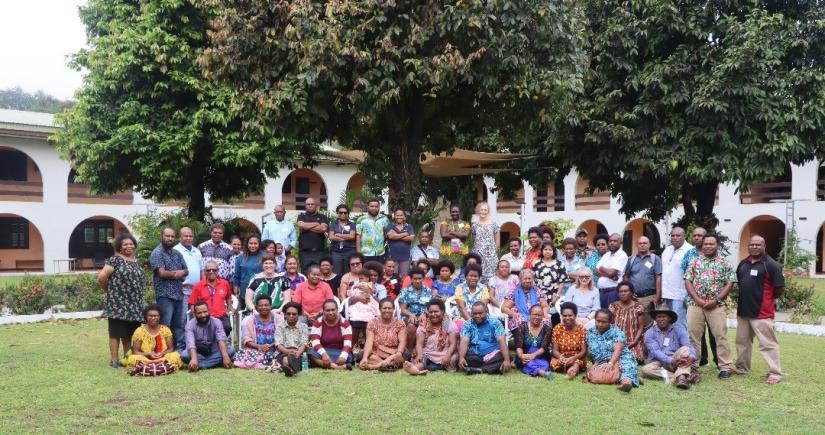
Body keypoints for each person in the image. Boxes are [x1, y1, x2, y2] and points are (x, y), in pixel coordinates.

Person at [734, 234, 785, 385]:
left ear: (764, 246)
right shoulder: (743, 263)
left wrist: (767, 300)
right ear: (748, 246)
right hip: (743, 311)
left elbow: (780, 288)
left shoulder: (771, 265)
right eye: (752, 244)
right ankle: (742, 368)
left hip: (762, 313)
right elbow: (741, 284)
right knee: (742, 342)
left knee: (768, 344)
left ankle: (775, 372)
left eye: (758, 244)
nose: (754, 247)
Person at [684, 233, 735, 379]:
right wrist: (697, 299)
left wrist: (716, 300)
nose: (708, 246)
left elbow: (730, 283)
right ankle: (693, 365)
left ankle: (724, 367)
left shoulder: (725, 263)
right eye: (706, 244)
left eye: (711, 244)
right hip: (695, 304)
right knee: (694, 336)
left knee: (720, 335)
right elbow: (688, 281)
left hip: (716, 306)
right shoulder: (694, 261)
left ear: (717, 245)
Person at [98, 233, 145, 368]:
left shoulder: (136, 261)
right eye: (125, 244)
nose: (129, 246)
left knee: (129, 332)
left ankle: (127, 358)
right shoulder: (115, 260)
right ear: (119, 246)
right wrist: (108, 290)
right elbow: (101, 277)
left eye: (131, 244)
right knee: (116, 332)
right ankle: (114, 360)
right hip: (118, 303)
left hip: (135, 303)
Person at [681, 226, 717, 367]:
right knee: (696, 331)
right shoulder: (689, 254)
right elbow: (685, 277)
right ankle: (701, 359)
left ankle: (718, 360)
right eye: (694, 235)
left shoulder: (717, 254)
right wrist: (689, 297)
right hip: (694, 299)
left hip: (713, 301)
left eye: (700, 235)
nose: (696, 238)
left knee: (714, 332)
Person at [149, 227, 188, 350]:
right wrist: (177, 274)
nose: (170, 238)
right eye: (167, 236)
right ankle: (164, 350)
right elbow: (161, 273)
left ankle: (179, 350)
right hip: (164, 296)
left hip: (178, 294)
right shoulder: (157, 253)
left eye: (172, 236)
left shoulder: (177, 253)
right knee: (165, 324)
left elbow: (186, 270)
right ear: (162, 236)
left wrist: (179, 273)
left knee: (179, 324)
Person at [642, 303, 697, 389]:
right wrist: (671, 360)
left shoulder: (679, 330)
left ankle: (681, 377)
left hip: (677, 360)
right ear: (655, 319)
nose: (661, 319)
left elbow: (688, 345)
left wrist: (692, 357)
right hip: (658, 362)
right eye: (659, 317)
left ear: (670, 318)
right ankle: (681, 377)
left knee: (685, 349)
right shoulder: (649, 333)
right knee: (646, 370)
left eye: (664, 317)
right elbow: (656, 352)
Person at [586, 309, 640, 392]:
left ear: (610, 321)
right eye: (598, 321)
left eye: (604, 322)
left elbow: (618, 350)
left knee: (626, 368)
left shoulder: (617, 332)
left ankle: (626, 383)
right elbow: (590, 351)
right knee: (599, 376)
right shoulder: (590, 332)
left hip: (621, 357)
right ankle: (635, 377)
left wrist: (611, 363)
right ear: (595, 319)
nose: (600, 324)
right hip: (602, 360)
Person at [404, 299, 459, 375]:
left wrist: (447, 356)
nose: (433, 314)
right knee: (420, 361)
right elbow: (419, 343)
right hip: (428, 354)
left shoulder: (449, 324)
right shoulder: (424, 325)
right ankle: (415, 369)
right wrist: (419, 355)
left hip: (445, 354)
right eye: (430, 312)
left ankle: (433, 367)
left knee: (453, 359)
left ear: (442, 311)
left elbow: (453, 344)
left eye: (436, 312)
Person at [126, 304, 183, 375]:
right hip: (145, 359)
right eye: (150, 316)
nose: (153, 318)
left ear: (160, 317)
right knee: (133, 358)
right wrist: (149, 354)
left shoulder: (165, 330)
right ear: (146, 317)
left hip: (162, 358)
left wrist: (162, 353)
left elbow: (171, 349)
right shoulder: (139, 331)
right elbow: (135, 351)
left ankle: (147, 369)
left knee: (175, 356)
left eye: (156, 316)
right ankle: (162, 368)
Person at [458, 302, 511, 375]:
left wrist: (507, 360)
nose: (477, 316)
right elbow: (464, 342)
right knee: (465, 357)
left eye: (480, 313)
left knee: (507, 356)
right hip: (475, 356)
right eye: (475, 314)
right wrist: (461, 358)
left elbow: (502, 341)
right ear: (471, 314)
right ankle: (492, 368)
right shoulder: (467, 324)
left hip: (492, 355)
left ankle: (480, 370)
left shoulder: (495, 323)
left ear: (486, 312)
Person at [181, 301, 234, 371]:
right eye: (199, 313)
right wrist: (194, 358)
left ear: (209, 311)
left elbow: (221, 339)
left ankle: (201, 365)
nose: (203, 315)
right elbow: (191, 344)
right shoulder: (190, 325)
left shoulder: (216, 322)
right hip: (198, 353)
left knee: (231, 350)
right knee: (184, 355)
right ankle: (214, 363)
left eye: (205, 312)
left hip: (214, 351)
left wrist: (225, 357)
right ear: (195, 314)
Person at [622, 236, 662, 325]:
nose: (642, 245)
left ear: (649, 245)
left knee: (647, 324)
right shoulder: (631, 259)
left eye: (644, 243)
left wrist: (658, 296)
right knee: (633, 323)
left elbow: (658, 277)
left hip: (649, 297)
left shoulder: (655, 259)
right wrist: (629, 293)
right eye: (640, 243)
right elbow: (626, 276)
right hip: (633, 298)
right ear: (637, 245)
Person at [359, 298, 407, 371]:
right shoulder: (372, 322)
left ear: (393, 309)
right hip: (376, 353)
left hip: (394, 352)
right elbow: (369, 341)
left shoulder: (400, 323)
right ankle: (388, 365)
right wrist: (365, 358)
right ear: (379, 309)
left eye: (389, 308)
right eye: (384, 308)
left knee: (405, 355)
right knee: (361, 355)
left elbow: (402, 341)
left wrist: (399, 353)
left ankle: (374, 366)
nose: (387, 310)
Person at [233, 294, 278, 369]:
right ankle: (265, 362)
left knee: (275, 355)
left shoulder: (278, 319)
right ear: (256, 307)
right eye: (260, 305)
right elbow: (246, 339)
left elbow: (282, 337)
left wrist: (270, 346)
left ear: (271, 306)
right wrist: (259, 346)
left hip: (275, 350)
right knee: (243, 353)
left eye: (266, 305)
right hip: (256, 350)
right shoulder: (249, 320)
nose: (263, 307)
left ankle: (262, 362)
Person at [189, 259, 234, 335]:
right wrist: (196, 316)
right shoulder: (198, 286)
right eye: (208, 270)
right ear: (204, 272)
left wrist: (230, 306)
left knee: (227, 327)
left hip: (221, 316)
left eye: (214, 270)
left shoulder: (225, 284)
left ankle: (219, 340)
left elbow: (228, 297)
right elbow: (192, 304)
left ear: (218, 271)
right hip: (205, 316)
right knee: (208, 330)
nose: (211, 272)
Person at [660, 227, 692, 331]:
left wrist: (689, 296)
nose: (675, 238)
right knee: (668, 325)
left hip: (680, 295)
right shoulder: (667, 250)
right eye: (673, 235)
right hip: (666, 294)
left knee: (679, 325)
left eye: (678, 236)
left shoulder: (690, 251)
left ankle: (683, 342)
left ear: (684, 236)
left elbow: (692, 275)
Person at [398, 268, 436, 350]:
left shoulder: (429, 291)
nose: (418, 281)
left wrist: (425, 314)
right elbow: (403, 309)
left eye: (420, 278)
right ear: (411, 279)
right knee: (411, 326)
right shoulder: (405, 291)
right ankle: (410, 350)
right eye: (415, 279)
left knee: (429, 325)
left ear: (423, 279)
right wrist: (410, 314)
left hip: (426, 316)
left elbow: (432, 307)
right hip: (409, 316)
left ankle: (425, 350)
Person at [308, 299, 353, 370]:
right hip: (324, 351)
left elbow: (348, 343)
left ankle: (330, 364)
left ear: (337, 310)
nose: (330, 312)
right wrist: (324, 354)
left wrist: (343, 356)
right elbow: (315, 342)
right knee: (312, 353)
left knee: (348, 356)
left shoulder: (345, 323)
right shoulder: (318, 323)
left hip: (340, 352)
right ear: (323, 311)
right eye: (327, 310)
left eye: (333, 310)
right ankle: (337, 367)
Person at [609, 282, 646, 362]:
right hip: (617, 340)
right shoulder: (613, 306)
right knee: (613, 355)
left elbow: (641, 327)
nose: (623, 293)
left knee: (636, 358)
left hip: (633, 340)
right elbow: (610, 326)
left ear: (631, 293)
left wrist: (634, 341)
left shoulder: (638, 307)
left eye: (626, 291)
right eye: (621, 291)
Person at [514, 304, 553, 379]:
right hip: (526, 355)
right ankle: (542, 373)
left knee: (545, 365)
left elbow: (544, 347)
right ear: (530, 315)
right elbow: (519, 346)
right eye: (535, 314)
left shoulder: (547, 329)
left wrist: (533, 355)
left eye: (539, 315)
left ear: (543, 316)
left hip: (540, 356)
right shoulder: (522, 327)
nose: (537, 317)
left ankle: (535, 370)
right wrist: (521, 356)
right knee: (527, 362)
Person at [532, 241, 567, 323]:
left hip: (554, 295)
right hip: (539, 295)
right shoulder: (536, 263)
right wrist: (537, 294)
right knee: (540, 318)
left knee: (554, 318)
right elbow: (533, 280)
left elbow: (562, 281)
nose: (548, 251)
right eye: (545, 249)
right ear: (542, 251)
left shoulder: (560, 264)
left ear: (553, 251)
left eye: (550, 250)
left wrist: (557, 296)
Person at [346, 268, 380, 350]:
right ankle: (353, 348)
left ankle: (366, 348)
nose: (360, 280)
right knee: (355, 331)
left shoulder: (370, 284)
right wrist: (356, 288)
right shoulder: (356, 284)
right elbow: (350, 295)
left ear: (367, 278)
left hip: (367, 309)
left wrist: (369, 290)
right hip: (357, 309)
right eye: (359, 278)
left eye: (362, 278)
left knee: (366, 332)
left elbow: (374, 292)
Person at [550, 302, 588, 379]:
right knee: (553, 363)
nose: (567, 318)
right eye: (564, 316)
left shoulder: (582, 329)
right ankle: (570, 368)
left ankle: (573, 369)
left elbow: (583, 351)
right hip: (562, 357)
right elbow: (555, 350)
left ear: (575, 316)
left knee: (578, 363)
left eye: (570, 315)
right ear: (561, 316)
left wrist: (573, 358)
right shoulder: (557, 329)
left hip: (577, 358)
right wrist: (560, 357)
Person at [174, 227, 203, 320]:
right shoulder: (175, 251)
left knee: (196, 317)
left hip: (196, 291)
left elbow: (201, 270)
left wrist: (202, 286)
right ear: (180, 237)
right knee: (182, 318)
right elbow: (174, 271)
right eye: (185, 236)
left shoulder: (197, 251)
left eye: (190, 236)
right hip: (182, 291)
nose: (188, 238)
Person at [274, 301, 310, 377]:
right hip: (283, 353)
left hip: (299, 353)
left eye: (294, 314)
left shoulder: (303, 327)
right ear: (285, 315)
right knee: (285, 359)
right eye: (288, 314)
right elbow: (278, 344)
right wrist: (288, 352)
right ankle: (292, 368)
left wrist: (297, 354)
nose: (291, 316)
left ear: (299, 315)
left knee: (297, 359)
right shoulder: (280, 326)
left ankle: (290, 369)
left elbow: (304, 344)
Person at [595, 233, 628, 309]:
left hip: (613, 292)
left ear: (620, 242)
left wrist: (602, 268)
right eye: (610, 241)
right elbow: (596, 270)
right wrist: (610, 276)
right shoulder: (607, 254)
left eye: (615, 241)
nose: (612, 243)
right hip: (601, 292)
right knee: (601, 314)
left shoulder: (622, 255)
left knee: (611, 314)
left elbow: (611, 272)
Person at [297, 197, 330, 271]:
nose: (310, 206)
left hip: (319, 252)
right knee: (305, 273)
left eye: (312, 204)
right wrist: (316, 224)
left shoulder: (322, 217)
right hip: (305, 252)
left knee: (318, 273)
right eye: (308, 204)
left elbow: (323, 229)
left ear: (316, 205)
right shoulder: (301, 216)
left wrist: (306, 227)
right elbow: (301, 226)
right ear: (305, 206)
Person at [471, 201, 500, 283]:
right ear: (478, 211)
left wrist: (495, 251)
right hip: (478, 254)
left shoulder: (494, 224)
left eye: (485, 210)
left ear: (488, 211)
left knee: (492, 276)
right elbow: (474, 239)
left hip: (491, 255)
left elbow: (497, 240)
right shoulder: (474, 225)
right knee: (478, 273)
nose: (483, 212)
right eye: (481, 210)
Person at [356, 198, 391, 263]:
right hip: (365, 253)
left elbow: (387, 234)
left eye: (376, 206)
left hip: (380, 252)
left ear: (379, 207)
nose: (374, 208)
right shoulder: (361, 219)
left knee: (379, 269)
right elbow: (358, 236)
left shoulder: (384, 219)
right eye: (372, 206)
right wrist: (358, 253)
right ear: (368, 207)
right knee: (366, 270)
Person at [233, 234, 262, 309]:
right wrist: (236, 293)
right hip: (244, 292)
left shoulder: (264, 256)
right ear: (247, 244)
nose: (253, 246)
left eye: (255, 243)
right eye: (251, 243)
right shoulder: (241, 257)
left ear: (259, 244)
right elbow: (236, 276)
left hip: (261, 291)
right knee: (246, 314)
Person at [385, 208, 415, 277]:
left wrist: (396, 235)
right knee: (392, 277)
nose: (399, 217)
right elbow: (391, 236)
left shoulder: (409, 226)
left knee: (404, 277)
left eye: (401, 215)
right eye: (397, 215)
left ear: (404, 216)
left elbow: (411, 238)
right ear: (394, 216)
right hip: (392, 258)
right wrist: (405, 234)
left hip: (405, 258)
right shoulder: (390, 226)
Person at [328, 204, 357, 276]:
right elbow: (331, 237)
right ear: (337, 213)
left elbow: (352, 236)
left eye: (345, 212)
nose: (343, 214)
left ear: (348, 214)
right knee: (336, 273)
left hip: (349, 251)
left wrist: (338, 234)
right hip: (336, 252)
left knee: (348, 273)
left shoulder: (352, 224)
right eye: (341, 212)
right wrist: (346, 237)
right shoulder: (333, 224)